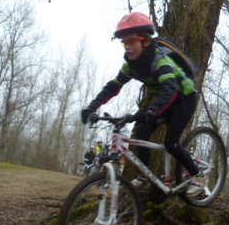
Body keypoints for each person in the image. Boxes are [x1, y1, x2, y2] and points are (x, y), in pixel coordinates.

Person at [81, 12, 204, 197]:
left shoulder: (159, 60)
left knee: (171, 144)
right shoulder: (131, 64)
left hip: (184, 98)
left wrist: (151, 111)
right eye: (124, 42)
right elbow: (113, 86)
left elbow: (170, 88)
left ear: (145, 41)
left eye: (131, 41)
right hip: (165, 100)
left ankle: (198, 176)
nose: (127, 46)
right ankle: (145, 178)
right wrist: (92, 107)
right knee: (141, 132)